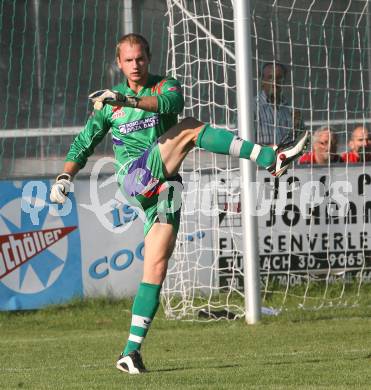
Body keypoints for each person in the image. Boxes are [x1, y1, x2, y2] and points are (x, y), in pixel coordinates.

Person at [49, 33, 309, 374]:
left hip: (167, 186)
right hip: (135, 178)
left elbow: (170, 106)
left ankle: (130, 352)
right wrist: (64, 177)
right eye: (129, 60)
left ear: (149, 57)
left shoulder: (165, 86)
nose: (136, 64)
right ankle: (268, 157)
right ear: (119, 63)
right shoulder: (107, 104)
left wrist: (125, 99)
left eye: (140, 58)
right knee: (188, 130)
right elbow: (83, 143)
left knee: (157, 263)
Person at [255, 62, 305, 145]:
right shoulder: (251, 108)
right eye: (270, 78)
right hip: (261, 157)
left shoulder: (291, 110)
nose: (275, 82)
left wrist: (297, 128)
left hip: (286, 157)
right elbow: (241, 140)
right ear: (262, 81)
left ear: (284, 82)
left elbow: (302, 142)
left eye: (279, 78)